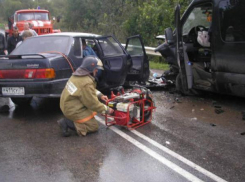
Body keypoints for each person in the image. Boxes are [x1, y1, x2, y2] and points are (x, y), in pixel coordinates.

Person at [58, 56, 114, 137]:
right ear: (90, 68)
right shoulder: (86, 82)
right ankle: (67, 122)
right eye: (95, 68)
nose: (97, 70)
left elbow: (87, 90)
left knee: (91, 114)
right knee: (93, 126)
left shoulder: (77, 76)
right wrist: (107, 110)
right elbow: (92, 103)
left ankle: (71, 119)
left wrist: (100, 95)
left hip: (67, 105)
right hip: (73, 109)